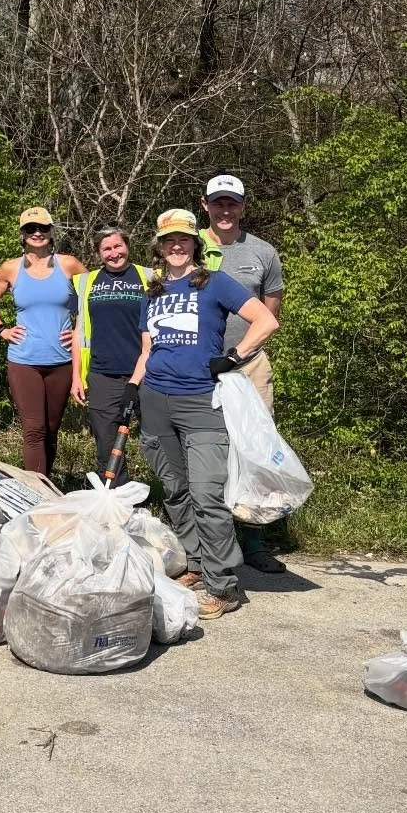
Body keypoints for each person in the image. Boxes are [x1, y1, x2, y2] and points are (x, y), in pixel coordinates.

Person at [131, 208, 280, 620]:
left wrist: (233, 356)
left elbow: (265, 320)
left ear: (195, 244)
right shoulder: (154, 291)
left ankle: (225, 585)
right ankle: (196, 565)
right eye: (168, 241)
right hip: (156, 399)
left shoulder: (214, 283)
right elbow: (148, 350)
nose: (176, 246)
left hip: (201, 402)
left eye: (184, 240)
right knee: (175, 491)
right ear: (160, 247)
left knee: (207, 495)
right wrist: (133, 389)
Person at [199, 172, 289, 574]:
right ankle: (208, 541)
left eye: (232, 202)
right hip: (200, 368)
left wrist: (242, 352)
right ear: (205, 205)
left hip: (248, 365)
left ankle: (253, 540)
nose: (225, 209)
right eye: (217, 202)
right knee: (205, 451)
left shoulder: (263, 252)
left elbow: (271, 312)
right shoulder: (187, 247)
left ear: (242, 207)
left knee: (254, 450)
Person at [0, 208, 85, 477]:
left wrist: (79, 331)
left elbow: (92, 303)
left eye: (43, 228)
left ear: (51, 231)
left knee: (52, 428)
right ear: (22, 234)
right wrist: (2, 330)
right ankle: (37, 493)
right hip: (24, 361)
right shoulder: (11, 268)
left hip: (63, 360)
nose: (37, 233)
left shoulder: (69, 265)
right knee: (34, 430)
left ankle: (47, 483)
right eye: (31, 228)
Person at [70, 226, 153, 480]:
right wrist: (76, 376)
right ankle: (118, 501)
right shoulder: (85, 282)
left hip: (148, 371)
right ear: (98, 253)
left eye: (118, 246)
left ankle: (174, 497)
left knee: (157, 439)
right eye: (106, 248)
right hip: (103, 373)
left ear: (127, 246)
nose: (114, 253)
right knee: (107, 445)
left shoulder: (150, 276)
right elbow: (79, 330)